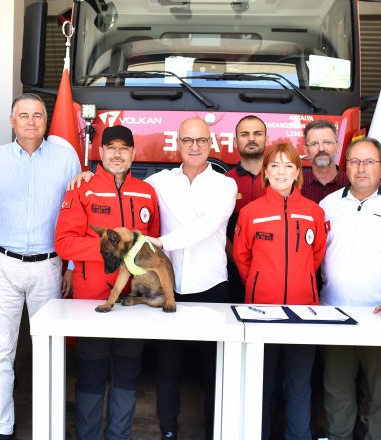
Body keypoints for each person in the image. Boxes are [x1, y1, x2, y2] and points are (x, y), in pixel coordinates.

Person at [0, 93, 80, 440]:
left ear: (46, 121)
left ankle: (48, 425)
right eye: (24, 115)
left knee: (48, 349)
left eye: (38, 115)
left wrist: (72, 266)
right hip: (1, 265)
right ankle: (3, 426)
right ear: (12, 121)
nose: (31, 121)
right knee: (2, 353)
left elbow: (78, 212)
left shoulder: (65, 156)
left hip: (48, 266)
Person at [55, 125, 160, 440]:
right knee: (90, 377)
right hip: (92, 302)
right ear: (99, 153)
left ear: (133, 154)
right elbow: (64, 243)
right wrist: (114, 248)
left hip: (133, 302)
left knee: (127, 377)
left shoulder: (147, 193)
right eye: (110, 147)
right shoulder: (81, 190)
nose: (117, 154)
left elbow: (153, 248)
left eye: (124, 148)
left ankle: (119, 436)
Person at [318, 138, 381, 440]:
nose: (361, 168)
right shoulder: (328, 204)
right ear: (345, 166)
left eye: (368, 162)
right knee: (336, 390)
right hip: (334, 312)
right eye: (354, 161)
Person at [144, 117, 237, 440]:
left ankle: (217, 432)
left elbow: (207, 228)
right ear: (177, 144)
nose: (194, 147)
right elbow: (124, 186)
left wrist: (162, 243)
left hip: (212, 287)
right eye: (187, 140)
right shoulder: (159, 182)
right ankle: (168, 430)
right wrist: (87, 176)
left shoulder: (226, 185)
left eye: (200, 141)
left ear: (211, 145)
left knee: (215, 368)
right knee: (167, 368)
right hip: (171, 289)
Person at [233, 143, 326, 440]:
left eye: (288, 165)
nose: (281, 171)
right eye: (274, 165)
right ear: (266, 172)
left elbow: (317, 256)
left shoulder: (313, 212)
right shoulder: (250, 213)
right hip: (260, 312)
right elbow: (242, 258)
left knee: (299, 385)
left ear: (298, 172)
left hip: (304, 311)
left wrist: (301, 284)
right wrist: (261, 286)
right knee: (261, 383)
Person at [224, 115, 267, 301]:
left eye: (257, 133)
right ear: (236, 141)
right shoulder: (223, 182)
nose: (251, 139)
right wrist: (242, 265)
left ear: (266, 138)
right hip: (233, 274)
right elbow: (219, 231)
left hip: (271, 273)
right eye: (245, 134)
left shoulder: (281, 180)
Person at [301, 120, 348, 204]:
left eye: (327, 142)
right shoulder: (296, 186)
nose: (321, 148)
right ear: (306, 150)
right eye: (314, 144)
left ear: (337, 147)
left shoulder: (351, 184)